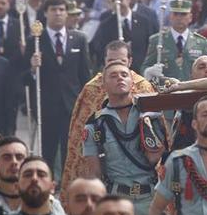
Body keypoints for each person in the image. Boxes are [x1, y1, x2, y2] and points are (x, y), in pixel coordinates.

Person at [59, 41, 155, 198]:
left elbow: (157, 136)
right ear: (104, 61)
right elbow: (79, 134)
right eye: (111, 62)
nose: (117, 70)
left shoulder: (144, 87)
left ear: (129, 61)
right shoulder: (91, 89)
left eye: (122, 62)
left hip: (143, 177)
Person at [82, 61, 167, 215]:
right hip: (116, 201)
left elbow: (156, 157)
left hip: (150, 200)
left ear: (132, 81)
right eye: (113, 76)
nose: (119, 79)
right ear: (104, 84)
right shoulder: (94, 125)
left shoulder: (150, 115)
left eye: (124, 75)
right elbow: (94, 172)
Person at [27, 0, 92, 179]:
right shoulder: (36, 40)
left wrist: (86, 104)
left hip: (72, 105)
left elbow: (84, 74)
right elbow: (23, 78)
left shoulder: (78, 39)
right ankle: (46, 185)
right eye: (54, 10)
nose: (58, 13)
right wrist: (33, 68)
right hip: (47, 106)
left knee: (70, 150)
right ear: (46, 13)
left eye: (62, 10)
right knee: (47, 150)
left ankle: (68, 188)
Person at [90, 0, 155, 71]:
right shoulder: (106, 24)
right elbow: (99, 47)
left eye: (121, 0)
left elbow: (150, 46)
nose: (118, 4)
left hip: (140, 71)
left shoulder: (144, 21)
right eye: (114, 1)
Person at [141, 0, 207, 82]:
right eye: (175, 14)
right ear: (170, 16)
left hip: (192, 89)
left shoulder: (201, 42)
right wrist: (149, 71)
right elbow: (145, 66)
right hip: (166, 91)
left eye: (183, 14)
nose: (179, 18)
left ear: (190, 17)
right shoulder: (157, 40)